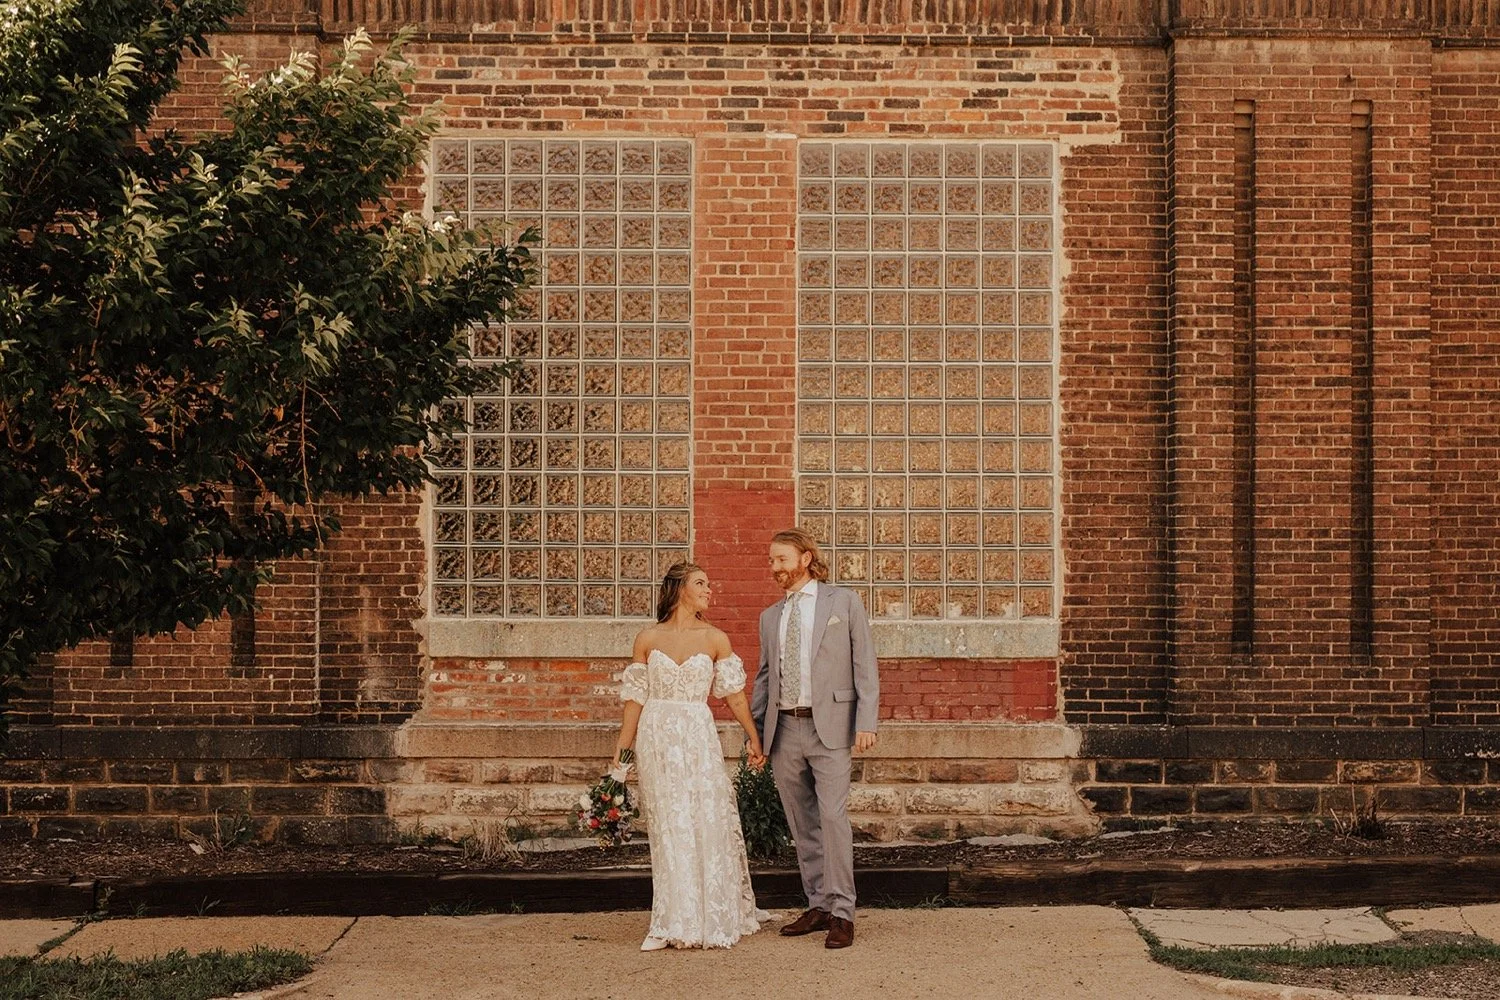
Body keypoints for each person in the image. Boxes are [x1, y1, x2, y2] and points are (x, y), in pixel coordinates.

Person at [613, 561, 769, 951]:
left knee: (705, 818)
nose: (709, 589)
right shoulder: (647, 638)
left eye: (709, 583)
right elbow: (634, 701)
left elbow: (734, 696)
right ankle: (669, 921)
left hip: (698, 736)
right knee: (669, 825)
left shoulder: (716, 638)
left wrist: (754, 738)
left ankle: (711, 915)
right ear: (679, 588)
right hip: (657, 736)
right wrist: (621, 757)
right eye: (701, 583)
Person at [751, 527, 879, 949]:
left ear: (805, 558)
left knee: (832, 818)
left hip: (832, 727)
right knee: (801, 822)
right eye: (771, 561)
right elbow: (765, 678)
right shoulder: (770, 617)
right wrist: (757, 734)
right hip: (784, 729)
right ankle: (818, 904)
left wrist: (866, 721)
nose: (775, 567)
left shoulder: (843, 602)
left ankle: (843, 912)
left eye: (781, 559)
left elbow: (864, 664)